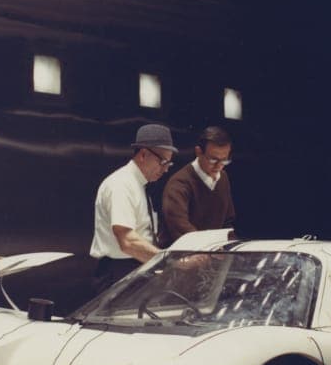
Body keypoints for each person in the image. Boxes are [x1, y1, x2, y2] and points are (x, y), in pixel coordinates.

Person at [89, 123, 176, 292]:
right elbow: (128, 241)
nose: (165, 169)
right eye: (163, 162)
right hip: (118, 272)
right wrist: (168, 261)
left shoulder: (138, 185)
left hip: (135, 268)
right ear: (143, 154)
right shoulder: (121, 184)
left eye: (169, 164)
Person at [160, 125, 236, 246]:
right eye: (213, 160)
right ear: (198, 152)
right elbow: (180, 228)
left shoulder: (223, 177)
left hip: (211, 253)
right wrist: (211, 248)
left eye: (224, 160)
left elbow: (228, 221)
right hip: (181, 256)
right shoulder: (179, 183)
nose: (219, 166)